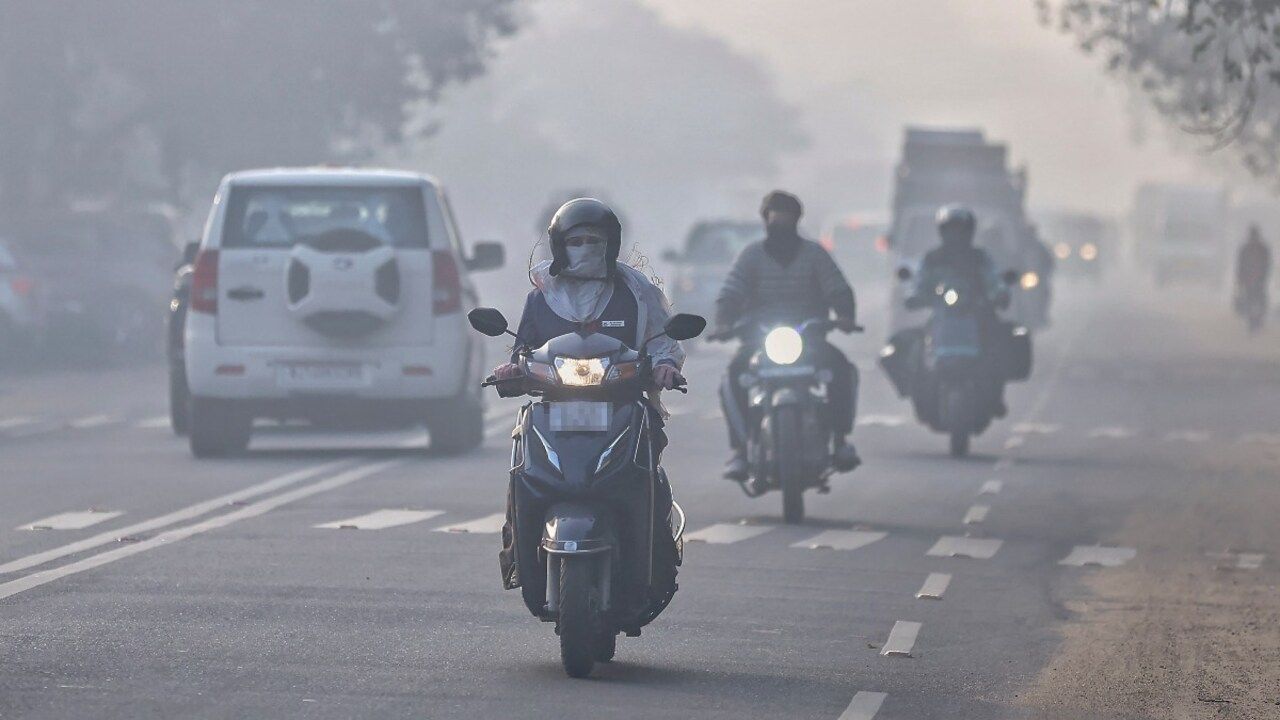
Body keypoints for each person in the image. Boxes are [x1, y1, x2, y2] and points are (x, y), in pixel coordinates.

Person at [490, 197, 685, 615]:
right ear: (560, 246)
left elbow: (660, 341)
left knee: (650, 478)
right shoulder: (542, 297)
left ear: (611, 245)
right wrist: (511, 369)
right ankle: (518, 555)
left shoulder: (636, 293)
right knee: (521, 474)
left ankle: (655, 561)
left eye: (594, 240)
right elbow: (523, 350)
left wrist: (666, 365)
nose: (585, 248)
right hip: (553, 409)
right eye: (576, 240)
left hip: (624, 408)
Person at [715, 190, 861, 481]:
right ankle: (742, 450)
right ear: (765, 221)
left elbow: (838, 289)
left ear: (796, 221)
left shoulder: (815, 254)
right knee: (733, 377)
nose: (780, 224)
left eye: (787, 217)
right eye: (775, 217)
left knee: (842, 370)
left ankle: (841, 440)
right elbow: (731, 292)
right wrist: (723, 322)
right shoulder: (751, 256)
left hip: (810, 339)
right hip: (759, 340)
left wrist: (844, 316)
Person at [906, 204, 1009, 416]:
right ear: (942, 232)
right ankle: (920, 394)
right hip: (942, 316)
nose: (956, 235)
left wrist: (999, 294)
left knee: (999, 343)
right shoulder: (931, 258)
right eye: (951, 230)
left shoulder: (980, 258)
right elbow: (919, 282)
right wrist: (914, 296)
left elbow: (994, 281)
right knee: (915, 349)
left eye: (960, 230)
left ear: (969, 231)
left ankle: (995, 396)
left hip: (978, 315)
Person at [1236, 225, 1271, 293]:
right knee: (1249, 295)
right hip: (1249, 279)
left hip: (1258, 279)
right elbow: (1241, 265)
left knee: (1258, 295)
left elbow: (1266, 264)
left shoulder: (1262, 249)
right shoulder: (1246, 249)